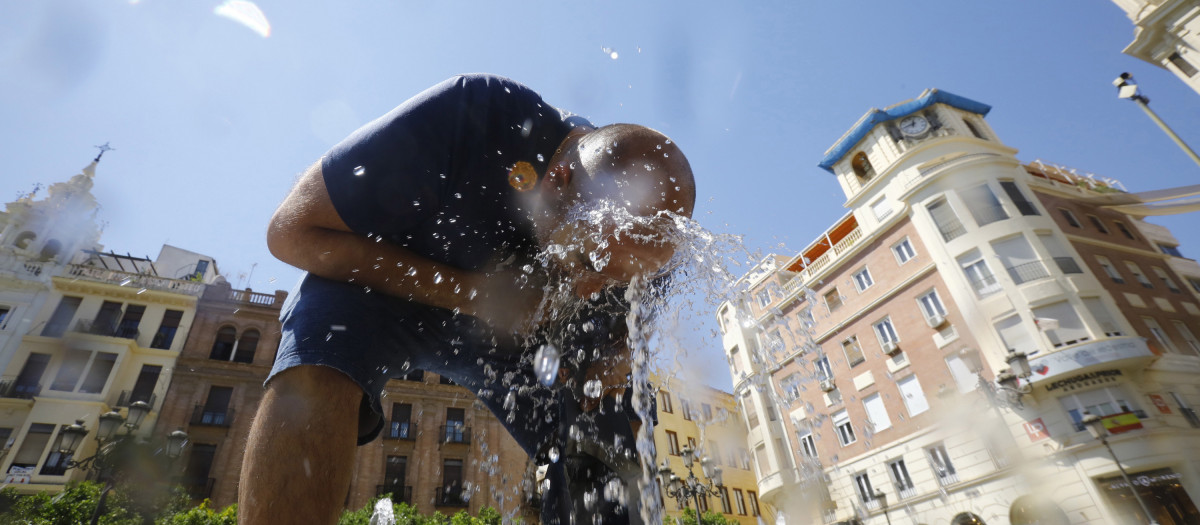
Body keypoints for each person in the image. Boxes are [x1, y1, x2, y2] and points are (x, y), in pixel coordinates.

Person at [238, 74, 695, 525]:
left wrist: (618, 356)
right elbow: (291, 233)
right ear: (557, 180)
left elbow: (632, 322)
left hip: (524, 339)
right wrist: (472, 294)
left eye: (619, 282)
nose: (592, 291)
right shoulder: (474, 113)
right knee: (319, 368)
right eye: (589, 263)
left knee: (609, 425)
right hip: (382, 287)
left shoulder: (648, 238)